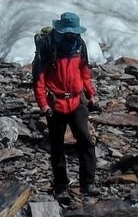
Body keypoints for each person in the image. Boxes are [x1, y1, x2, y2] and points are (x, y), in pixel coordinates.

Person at [32, 11, 98, 198]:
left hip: (77, 101)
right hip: (56, 104)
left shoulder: (79, 45)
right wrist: (43, 104)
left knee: (86, 142)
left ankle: (88, 183)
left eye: (75, 32)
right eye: (70, 32)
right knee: (57, 146)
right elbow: (39, 79)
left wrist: (91, 94)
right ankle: (61, 187)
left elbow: (84, 71)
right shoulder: (47, 46)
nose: (73, 35)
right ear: (61, 30)